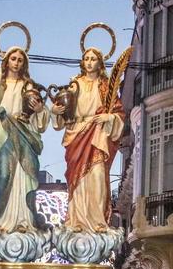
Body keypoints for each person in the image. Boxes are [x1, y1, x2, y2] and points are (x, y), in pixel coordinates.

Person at [0, 46, 49, 233]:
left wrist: (40, 110)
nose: (16, 63)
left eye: (20, 60)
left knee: (25, 174)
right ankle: (2, 220)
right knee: (4, 175)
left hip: (25, 135)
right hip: (3, 137)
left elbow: (39, 115)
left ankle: (25, 221)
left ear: (24, 64)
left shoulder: (29, 86)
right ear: (7, 61)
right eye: (13, 59)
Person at [51, 48, 124, 233]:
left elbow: (118, 113)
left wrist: (109, 118)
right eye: (86, 59)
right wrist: (56, 112)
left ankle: (97, 221)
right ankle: (76, 220)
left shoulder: (106, 86)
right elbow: (64, 113)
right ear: (82, 62)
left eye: (93, 59)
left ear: (100, 63)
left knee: (97, 175)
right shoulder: (75, 84)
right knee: (78, 179)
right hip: (77, 133)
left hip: (97, 135)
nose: (90, 62)